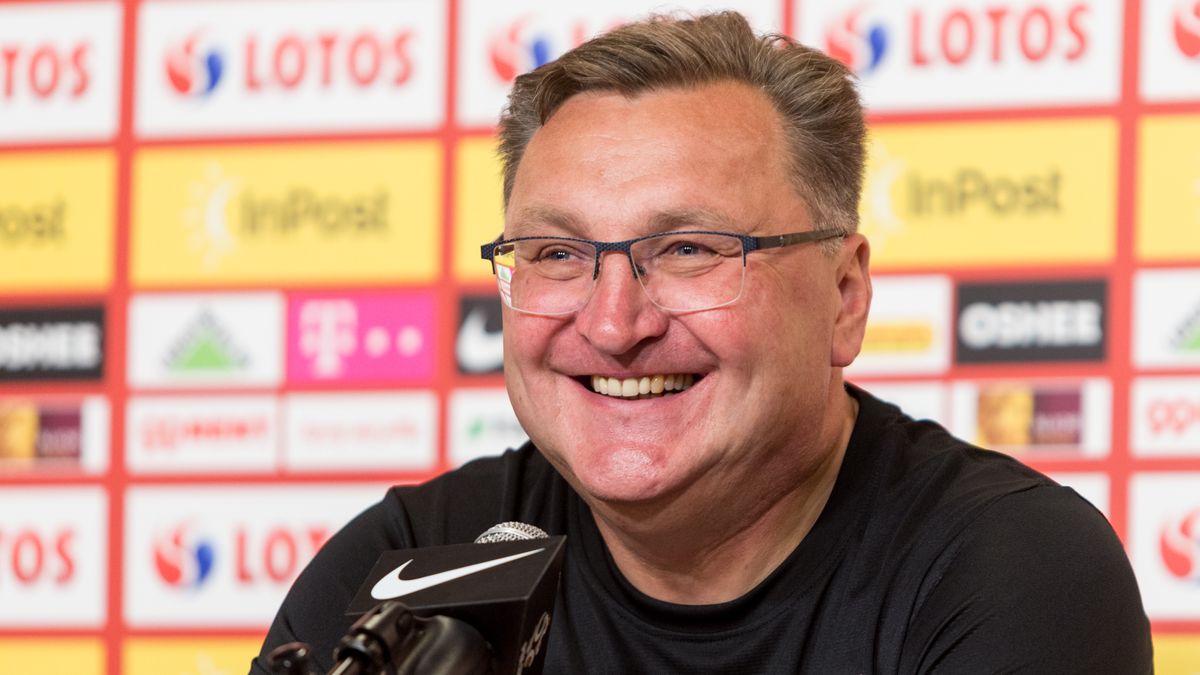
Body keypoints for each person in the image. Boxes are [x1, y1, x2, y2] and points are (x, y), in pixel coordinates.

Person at [253, 12, 1151, 673]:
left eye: (689, 250)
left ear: (844, 297)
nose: (613, 324)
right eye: (557, 254)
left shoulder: (1007, 571)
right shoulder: (420, 562)